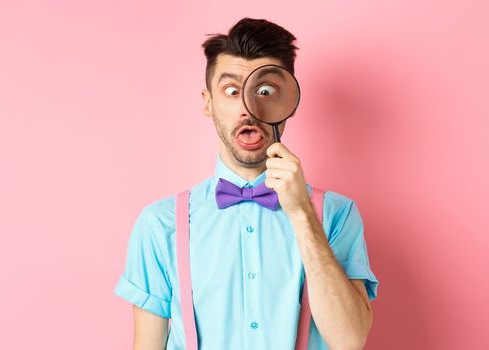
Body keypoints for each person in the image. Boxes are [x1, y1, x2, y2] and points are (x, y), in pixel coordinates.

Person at [113, 18, 379, 350]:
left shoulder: (337, 214)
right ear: (208, 102)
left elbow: (350, 340)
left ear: (289, 104)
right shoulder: (160, 223)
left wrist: (301, 213)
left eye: (265, 91)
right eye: (231, 91)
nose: (247, 109)